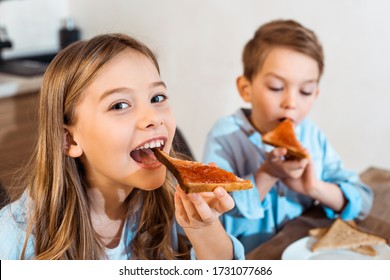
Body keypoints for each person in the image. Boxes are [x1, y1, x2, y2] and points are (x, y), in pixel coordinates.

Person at [0, 33, 245, 260]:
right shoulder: (15, 237)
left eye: (157, 98)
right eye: (119, 105)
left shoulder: (173, 205)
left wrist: (203, 229)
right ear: (70, 140)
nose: (152, 117)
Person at [202, 19, 373, 254]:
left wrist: (314, 188)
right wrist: (267, 174)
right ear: (246, 89)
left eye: (305, 91)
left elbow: (363, 201)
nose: (291, 103)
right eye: (275, 87)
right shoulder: (225, 137)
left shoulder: (311, 135)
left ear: (315, 94)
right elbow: (212, 214)